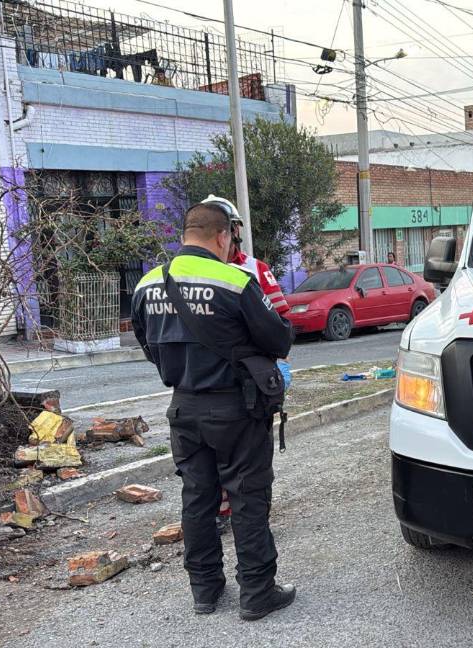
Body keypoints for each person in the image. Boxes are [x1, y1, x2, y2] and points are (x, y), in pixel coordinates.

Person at [131, 202, 295, 621]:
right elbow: (279, 339)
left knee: (197, 500)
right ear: (223, 237)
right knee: (247, 497)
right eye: (231, 240)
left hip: (183, 406)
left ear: (187, 233)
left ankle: (204, 590)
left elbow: (148, 347)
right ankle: (257, 592)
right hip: (236, 407)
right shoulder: (234, 279)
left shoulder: (147, 284)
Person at [200, 195, 291, 527]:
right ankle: (223, 511)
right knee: (212, 457)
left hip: (252, 382)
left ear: (232, 231)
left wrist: (273, 368)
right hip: (209, 381)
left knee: (249, 458)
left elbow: (282, 323)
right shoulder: (193, 273)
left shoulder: (255, 270)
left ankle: (251, 512)